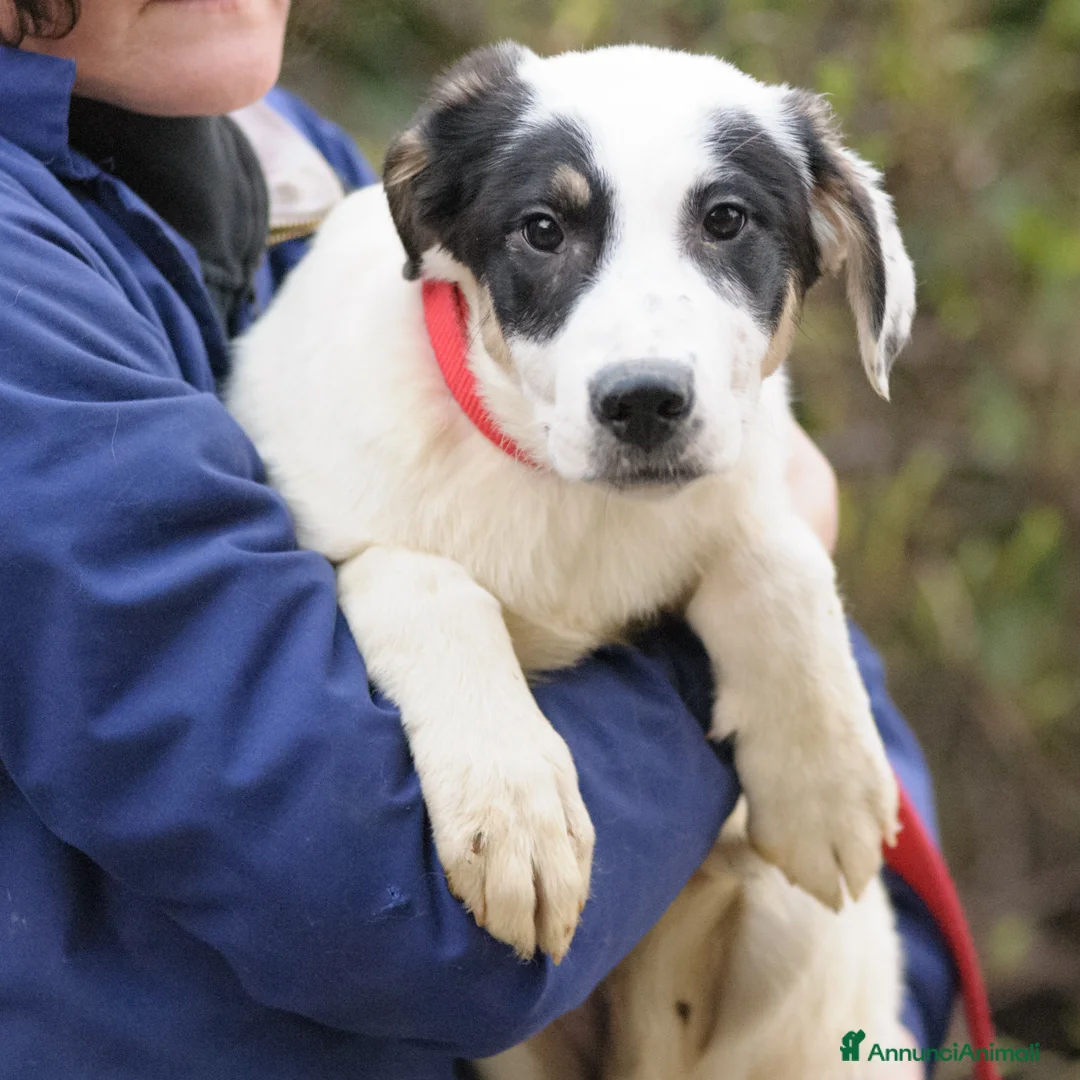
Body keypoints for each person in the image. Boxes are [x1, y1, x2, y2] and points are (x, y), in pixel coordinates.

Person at [0, 2, 953, 1077]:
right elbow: (392, 902)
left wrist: (902, 1011)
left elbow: (847, 818)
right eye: (545, 233)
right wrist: (715, 655)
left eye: (726, 222)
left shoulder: (284, 156)